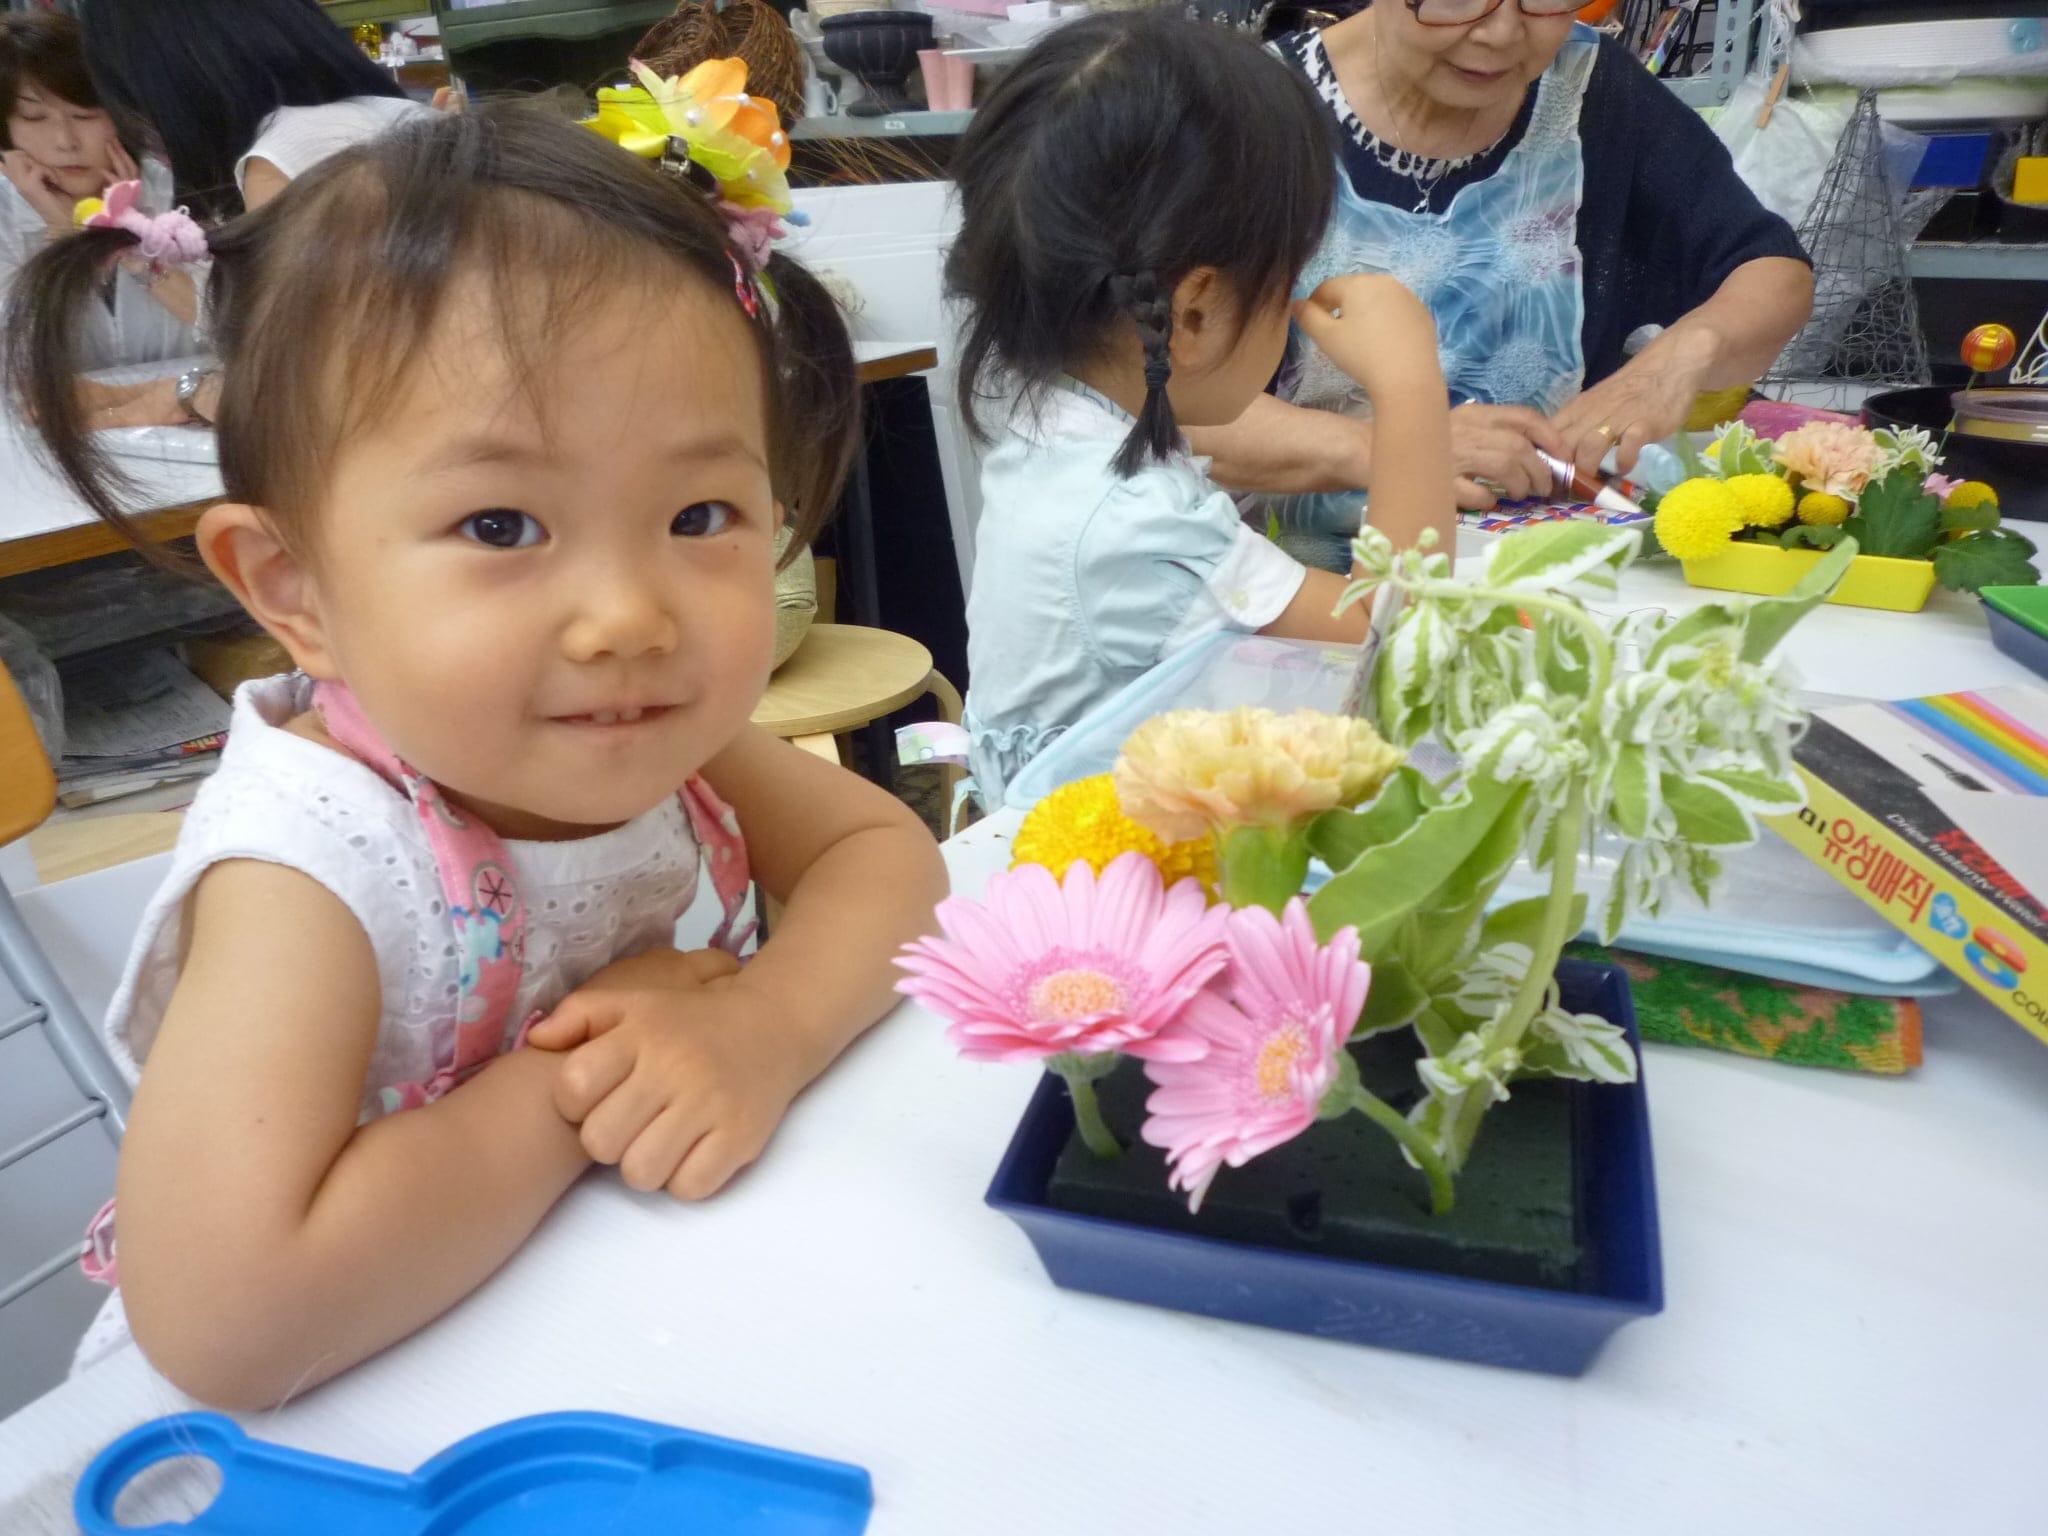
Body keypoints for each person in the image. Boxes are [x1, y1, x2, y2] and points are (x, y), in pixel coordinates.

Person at [2, 103, 946, 1410]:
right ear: (295, 587)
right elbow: (228, 1322)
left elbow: (885, 856)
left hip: (616, 1340)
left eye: (699, 513)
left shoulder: (630, 737)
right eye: (500, 522)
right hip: (340, 1433)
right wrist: (593, 1082)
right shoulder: (316, 865)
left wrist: (767, 1028)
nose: (629, 616)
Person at [945, 10, 1453, 803]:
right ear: (1193, 313)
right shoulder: (1137, 525)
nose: (1294, 305)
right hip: (1098, 887)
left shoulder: (1048, 421)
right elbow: (1400, 648)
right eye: (1287, 279)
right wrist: (1411, 390)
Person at [1193, 0, 1813, 558]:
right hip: (1293, 594)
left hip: (1548, 572)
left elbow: (1771, 269)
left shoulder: (1592, 91)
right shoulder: (1246, 116)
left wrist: (1681, 356)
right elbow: (1143, 400)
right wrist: (1396, 449)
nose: (1500, 32)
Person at [67, 0, 429, 428]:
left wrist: (184, 395)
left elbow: (306, 397)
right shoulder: (402, 119)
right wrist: (146, 391)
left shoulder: (288, 155)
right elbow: (278, 327)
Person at [0, 12, 195, 370]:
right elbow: (19, 369)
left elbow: (230, 330)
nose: (66, 142)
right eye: (34, 119)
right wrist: (62, 236)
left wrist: (130, 239)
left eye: (85, 116)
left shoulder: (179, 190)